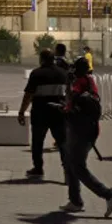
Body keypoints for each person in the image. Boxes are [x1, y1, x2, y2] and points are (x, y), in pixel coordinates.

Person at [60, 57, 112, 217]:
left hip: (79, 131)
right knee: (71, 162)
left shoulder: (79, 83)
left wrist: (68, 84)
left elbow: (70, 100)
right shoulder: (90, 81)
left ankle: (109, 194)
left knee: (78, 166)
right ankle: (75, 200)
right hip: (90, 129)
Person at [18, 49, 67, 179]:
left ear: (42, 59)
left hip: (40, 113)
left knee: (37, 142)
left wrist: (22, 111)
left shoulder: (36, 74)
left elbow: (28, 95)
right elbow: (68, 94)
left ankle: (38, 168)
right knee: (63, 143)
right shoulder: (63, 74)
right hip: (58, 113)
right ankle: (68, 171)